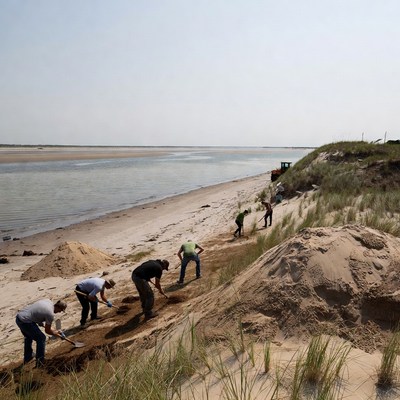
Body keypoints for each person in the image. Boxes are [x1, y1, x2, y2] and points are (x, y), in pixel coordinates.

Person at [16, 299, 67, 367]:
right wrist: (57, 334)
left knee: (28, 337)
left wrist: (57, 332)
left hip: (19, 317)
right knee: (41, 338)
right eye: (60, 310)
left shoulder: (48, 301)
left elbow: (42, 321)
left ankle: (28, 356)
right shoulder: (50, 314)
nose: (59, 312)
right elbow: (47, 331)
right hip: (26, 321)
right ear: (58, 307)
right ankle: (40, 362)